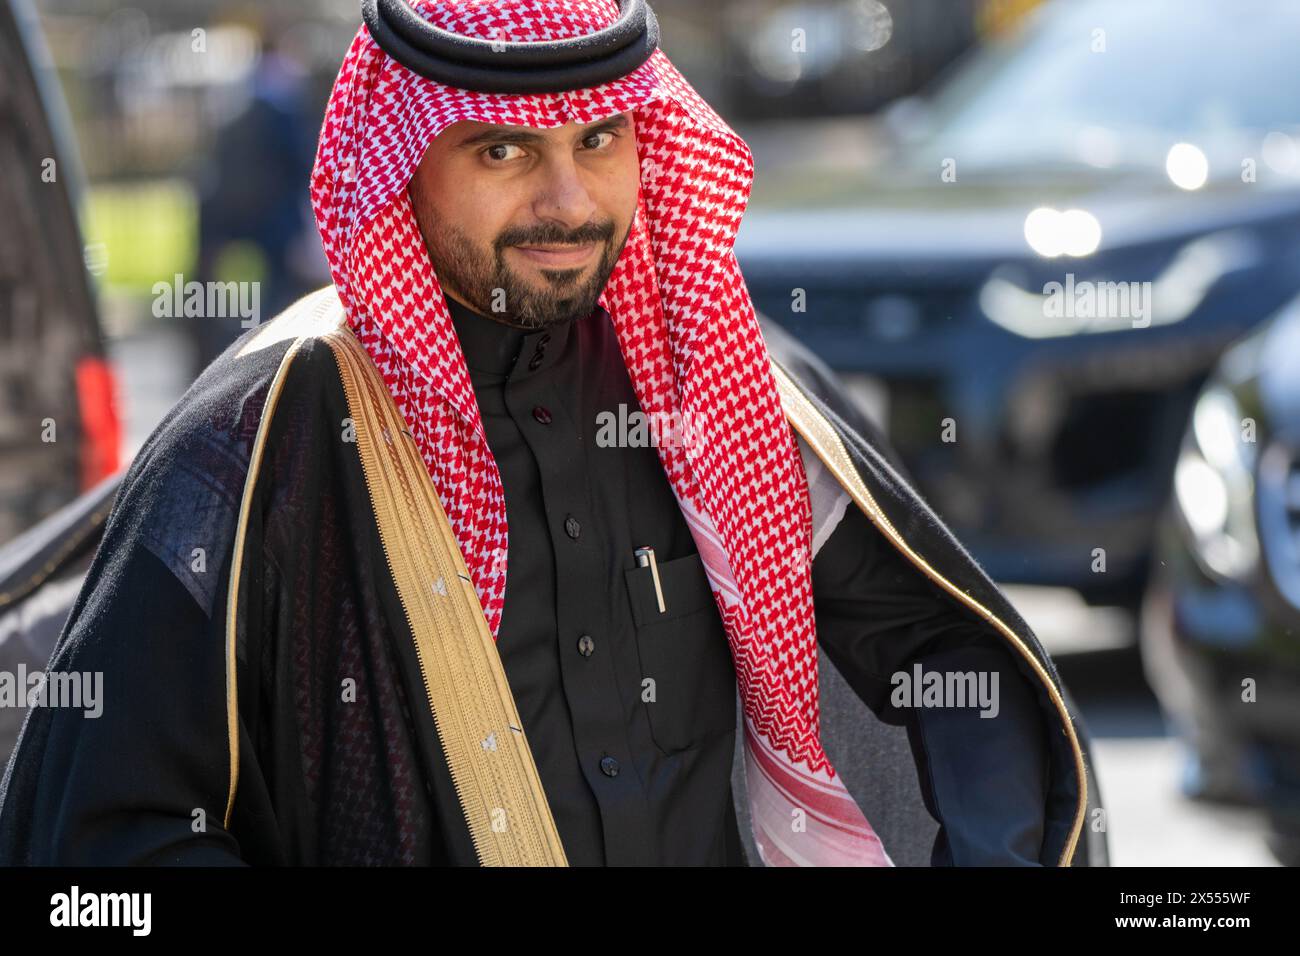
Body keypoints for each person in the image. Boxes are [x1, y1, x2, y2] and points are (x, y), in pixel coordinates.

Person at [0, 0, 1100, 866]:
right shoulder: (261, 440)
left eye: (599, 137)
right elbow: (96, 845)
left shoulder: (719, 380)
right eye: (501, 152)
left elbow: (953, 655)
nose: (568, 201)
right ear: (402, 159)